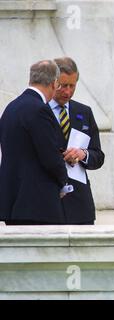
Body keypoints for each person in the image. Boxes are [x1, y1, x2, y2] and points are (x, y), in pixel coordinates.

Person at [0, 60, 68, 225]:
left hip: (13, 201)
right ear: (54, 83)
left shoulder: (11, 108)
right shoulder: (40, 110)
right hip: (38, 203)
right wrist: (63, 181)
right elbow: (50, 156)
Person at [49, 57, 105, 225]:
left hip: (80, 202)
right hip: (49, 198)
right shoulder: (39, 109)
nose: (67, 91)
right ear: (52, 82)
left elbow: (98, 156)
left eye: (72, 86)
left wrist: (83, 154)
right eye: (62, 85)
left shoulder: (84, 112)